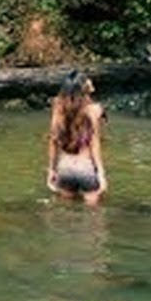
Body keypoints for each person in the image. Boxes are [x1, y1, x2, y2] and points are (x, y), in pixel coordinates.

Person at [46, 71, 108, 205]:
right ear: (83, 86)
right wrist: (101, 174)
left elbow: (53, 139)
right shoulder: (95, 109)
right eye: (88, 79)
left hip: (65, 168)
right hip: (86, 169)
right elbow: (94, 143)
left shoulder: (58, 106)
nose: (91, 81)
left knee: (66, 213)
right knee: (95, 219)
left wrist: (51, 169)